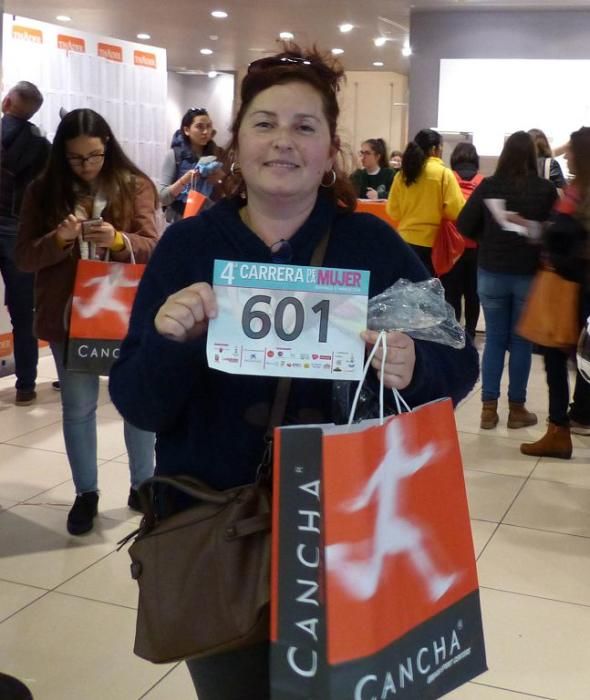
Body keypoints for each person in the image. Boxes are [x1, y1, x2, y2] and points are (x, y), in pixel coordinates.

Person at [109, 45, 479, 700]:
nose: (284, 142)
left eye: (305, 127)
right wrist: (170, 339)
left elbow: (458, 361)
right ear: (236, 143)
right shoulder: (190, 246)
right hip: (216, 528)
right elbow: (139, 401)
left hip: (350, 535)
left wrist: (415, 363)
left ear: (331, 148)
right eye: (265, 123)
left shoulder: (374, 245)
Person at [16, 108, 158, 536]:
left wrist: (118, 241)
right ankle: (87, 493)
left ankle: (143, 485)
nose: (87, 166)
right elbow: (24, 256)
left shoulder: (134, 185)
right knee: (78, 408)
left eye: (94, 156)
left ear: (107, 148)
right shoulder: (43, 191)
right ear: (62, 154)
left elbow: (153, 246)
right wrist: (58, 240)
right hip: (69, 316)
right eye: (77, 158)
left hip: (124, 313)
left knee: (136, 404)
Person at [457, 131, 558, 430]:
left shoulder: (489, 186)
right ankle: (517, 408)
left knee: (495, 341)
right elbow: (553, 234)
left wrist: (486, 239)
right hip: (528, 275)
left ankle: (488, 409)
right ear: (532, 156)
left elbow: (463, 224)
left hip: (491, 272)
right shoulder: (544, 190)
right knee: (521, 342)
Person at [521, 127, 590, 459]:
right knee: (565, 358)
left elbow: (570, 242)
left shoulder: (582, 195)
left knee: (560, 356)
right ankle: (560, 427)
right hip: (572, 286)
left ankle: (559, 429)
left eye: (572, 150)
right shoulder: (577, 190)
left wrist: (546, 237)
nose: (567, 156)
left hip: (571, 288)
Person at [0, 81, 50, 406]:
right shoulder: (42, 146)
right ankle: (26, 386)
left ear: (6, 102)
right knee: (22, 312)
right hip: (17, 233)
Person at [386, 128, 465, 275]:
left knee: (407, 289)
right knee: (428, 291)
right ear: (434, 149)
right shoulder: (443, 174)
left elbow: (393, 212)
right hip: (433, 244)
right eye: (441, 148)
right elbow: (455, 210)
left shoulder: (402, 174)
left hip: (404, 240)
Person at [439, 142, 484, 340]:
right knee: (473, 295)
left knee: (452, 294)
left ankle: (453, 334)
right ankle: (471, 333)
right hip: (476, 248)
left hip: (451, 247)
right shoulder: (483, 182)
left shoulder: (448, 179)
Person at [159, 107, 224, 222]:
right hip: (179, 219)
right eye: (199, 127)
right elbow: (163, 198)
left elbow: (228, 193)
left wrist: (221, 179)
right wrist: (186, 179)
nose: (205, 132)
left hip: (210, 220)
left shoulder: (218, 155)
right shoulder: (174, 156)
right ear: (186, 130)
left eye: (209, 126)